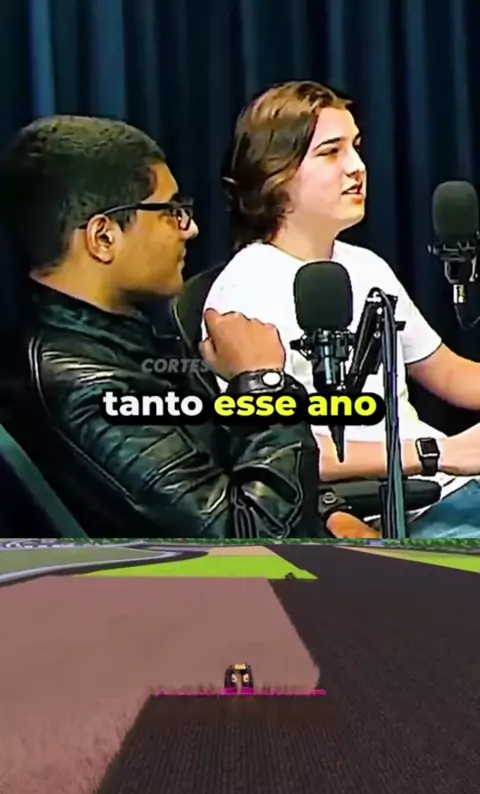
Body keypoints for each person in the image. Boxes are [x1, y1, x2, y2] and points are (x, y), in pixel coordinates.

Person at [0, 114, 376, 539]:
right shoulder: (87, 387)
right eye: (170, 212)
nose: (190, 228)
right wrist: (264, 383)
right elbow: (249, 542)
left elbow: (229, 461)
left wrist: (329, 510)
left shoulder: (132, 337)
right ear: (103, 238)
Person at [201, 80, 480, 538]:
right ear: (276, 172)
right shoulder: (242, 295)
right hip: (396, 509)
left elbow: (449, 374)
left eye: (356, 147)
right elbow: (283, 450)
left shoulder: (364, 264)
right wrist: (442, 452)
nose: (357, 167)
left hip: (450, 488)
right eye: (331, 152)